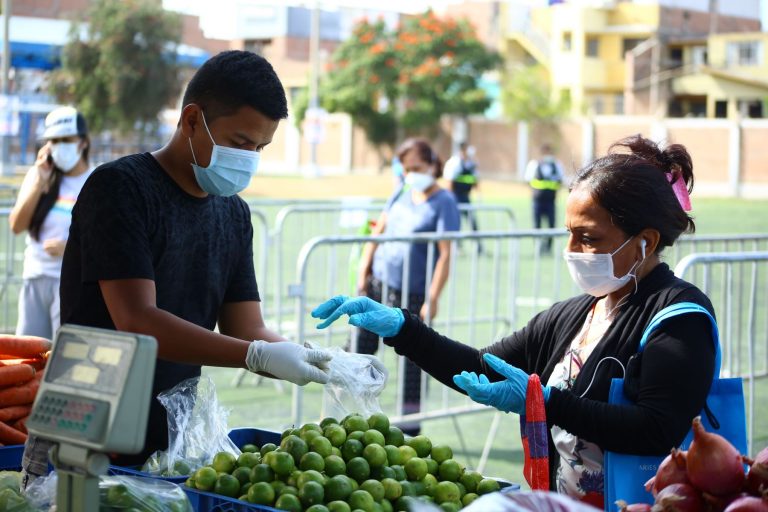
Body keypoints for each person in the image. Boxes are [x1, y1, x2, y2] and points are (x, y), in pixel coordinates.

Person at [313, 135, 715, 508]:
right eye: (569, 234)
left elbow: (658, 428)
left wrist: (545, 402)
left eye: (588, 238)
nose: (572, 250)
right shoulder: (575, 313)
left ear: (646, 241)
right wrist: (404, 329)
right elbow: (480, 369)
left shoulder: (680, 318)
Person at [21, 51, 334, 485]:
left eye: (260, 148)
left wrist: (310, 357)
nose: (250, 158)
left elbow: (247, 327)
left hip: (172, 441)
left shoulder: (233, 214)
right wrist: (254, 356)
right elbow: (137, 320)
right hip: (86, 431)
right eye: (241, 143)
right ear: (191, 121)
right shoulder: (120, 188)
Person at [355, 137, 460, 434]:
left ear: (432, 165)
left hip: (413, 293)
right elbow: (379, 231)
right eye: (407, 167)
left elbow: (445, 254)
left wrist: (433, 297)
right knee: (362, 352)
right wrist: (364, 269)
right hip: (379, 284)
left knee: (414, 362)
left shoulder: (444, 202)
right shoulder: (401, 191)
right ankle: (357, 414)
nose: (412, 173)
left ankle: (409, 429)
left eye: (417, 167)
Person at [9, 106, 94, 339]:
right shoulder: (39, 175)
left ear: (83, 142)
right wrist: (39, 181)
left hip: (71, 282)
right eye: (53, 141)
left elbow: (106, 241)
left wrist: (70, 249)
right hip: (35, 278)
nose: (59, 146)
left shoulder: (97, 181)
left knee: (63, 358)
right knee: (29, 357)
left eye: (66, 139)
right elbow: (16, 225)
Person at [524, 144, 565, 254]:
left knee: (551, 224)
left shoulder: (556, 165)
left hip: (551, 200)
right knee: (537, 224)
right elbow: (528, 180)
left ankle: (548, 247)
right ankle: (538, 246)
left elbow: (560, 180)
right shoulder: (534, 164)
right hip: (537, 200)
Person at [443, 142, 481, 253]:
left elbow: (475, 180)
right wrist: (450, 199)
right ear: (462, 150)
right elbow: (449, 183)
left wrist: (478, 194)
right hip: (455, 197)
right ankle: (457, 246)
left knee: (472, 221)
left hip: (465, 196)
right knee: (456, 222)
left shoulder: (471, 164)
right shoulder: (454, 163)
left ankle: (478, 246)